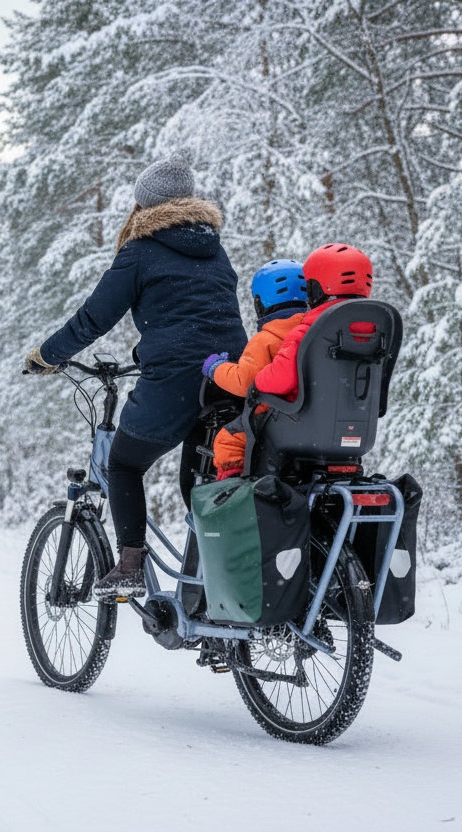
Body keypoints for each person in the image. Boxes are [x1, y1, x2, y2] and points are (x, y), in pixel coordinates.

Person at [24, 150, 247, 599]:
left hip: (178, 378)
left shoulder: (141, 251)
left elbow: (93, 318)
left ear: (144, 204)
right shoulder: (214, 249)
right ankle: (215, 592)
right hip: (232, 377)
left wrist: (46, 356)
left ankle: (129, 565)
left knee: (123, 464)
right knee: (201, 490)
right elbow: (207, 314)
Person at [202, 260, 308, 479]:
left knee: (228, 440)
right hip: (314, 419)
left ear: (259, 304)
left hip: (276, 420)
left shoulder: (265, 340)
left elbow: (244, 382)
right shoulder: (316, 332)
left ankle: (234, 490)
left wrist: (216, 368)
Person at [253, 243, 375, 399]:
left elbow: (281, 380)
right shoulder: (379, 326)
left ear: (316, 288)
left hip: (310, 413)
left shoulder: (307, 330)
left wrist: (257, 381)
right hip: (361, 411)